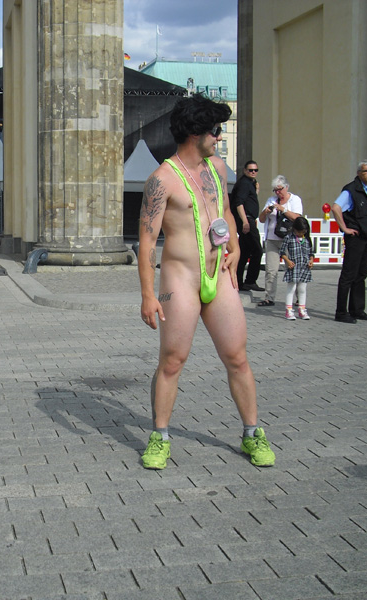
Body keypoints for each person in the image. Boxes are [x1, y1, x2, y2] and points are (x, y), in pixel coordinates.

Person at [137, 95, 275, 469]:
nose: (218, 137)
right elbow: (147, 242)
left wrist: (232, 247)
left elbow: (226, 213)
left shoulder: (216, 167)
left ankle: (252, 434)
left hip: (219, 275)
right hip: (180, 280)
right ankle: (159, 437)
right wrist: (148, 295)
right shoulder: (161, 180)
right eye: (215, 131)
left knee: (237, 358)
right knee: (172, 361)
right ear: (196, 132)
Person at [331, 160, 367, 323]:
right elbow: (336, 207)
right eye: (366, 171)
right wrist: (344, 228)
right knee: (348, 275)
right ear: (359, 172)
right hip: (355, 237)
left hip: (366, 236)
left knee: (361, 274)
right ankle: (341, 312)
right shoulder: (351, 190)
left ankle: (357, 309)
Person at [257, 176, 303, 307]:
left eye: (280, 189)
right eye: (275, 190)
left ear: (286, 187)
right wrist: (265, 212)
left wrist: (283, 209)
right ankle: (269, 297)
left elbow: (297, 218)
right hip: (272, 239)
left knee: (294, 268)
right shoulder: (271, 200)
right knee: (271, 270)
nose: (277, 193)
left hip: (289, 240)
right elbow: (261, 219)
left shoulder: (295, 200)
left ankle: (300, 297)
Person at [231, 160, 264, 292]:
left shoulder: (249, 183)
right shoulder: (244, 183)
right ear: (245, 171)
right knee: (257, 250)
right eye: (250, 170)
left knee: (244, 252)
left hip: (248, 219)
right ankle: (250, 281)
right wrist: (245, 221)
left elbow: (248, 201)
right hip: (246, 220)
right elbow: (239, 202)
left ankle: (239, 281)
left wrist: (255, 192)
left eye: (255, 170)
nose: (253, 172)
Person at [279, 217, 315, 320]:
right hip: (294, 267)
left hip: (304, 267)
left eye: (303, 232)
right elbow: (282, 252)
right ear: (294, 229)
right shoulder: (289, 237)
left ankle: (302, 309)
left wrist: (311, 260)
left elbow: (311, 252)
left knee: (302, 289)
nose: (300, 234)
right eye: (298, 231)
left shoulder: (307, 239)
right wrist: (288, 261)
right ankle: (289, 310)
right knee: (291, 288)